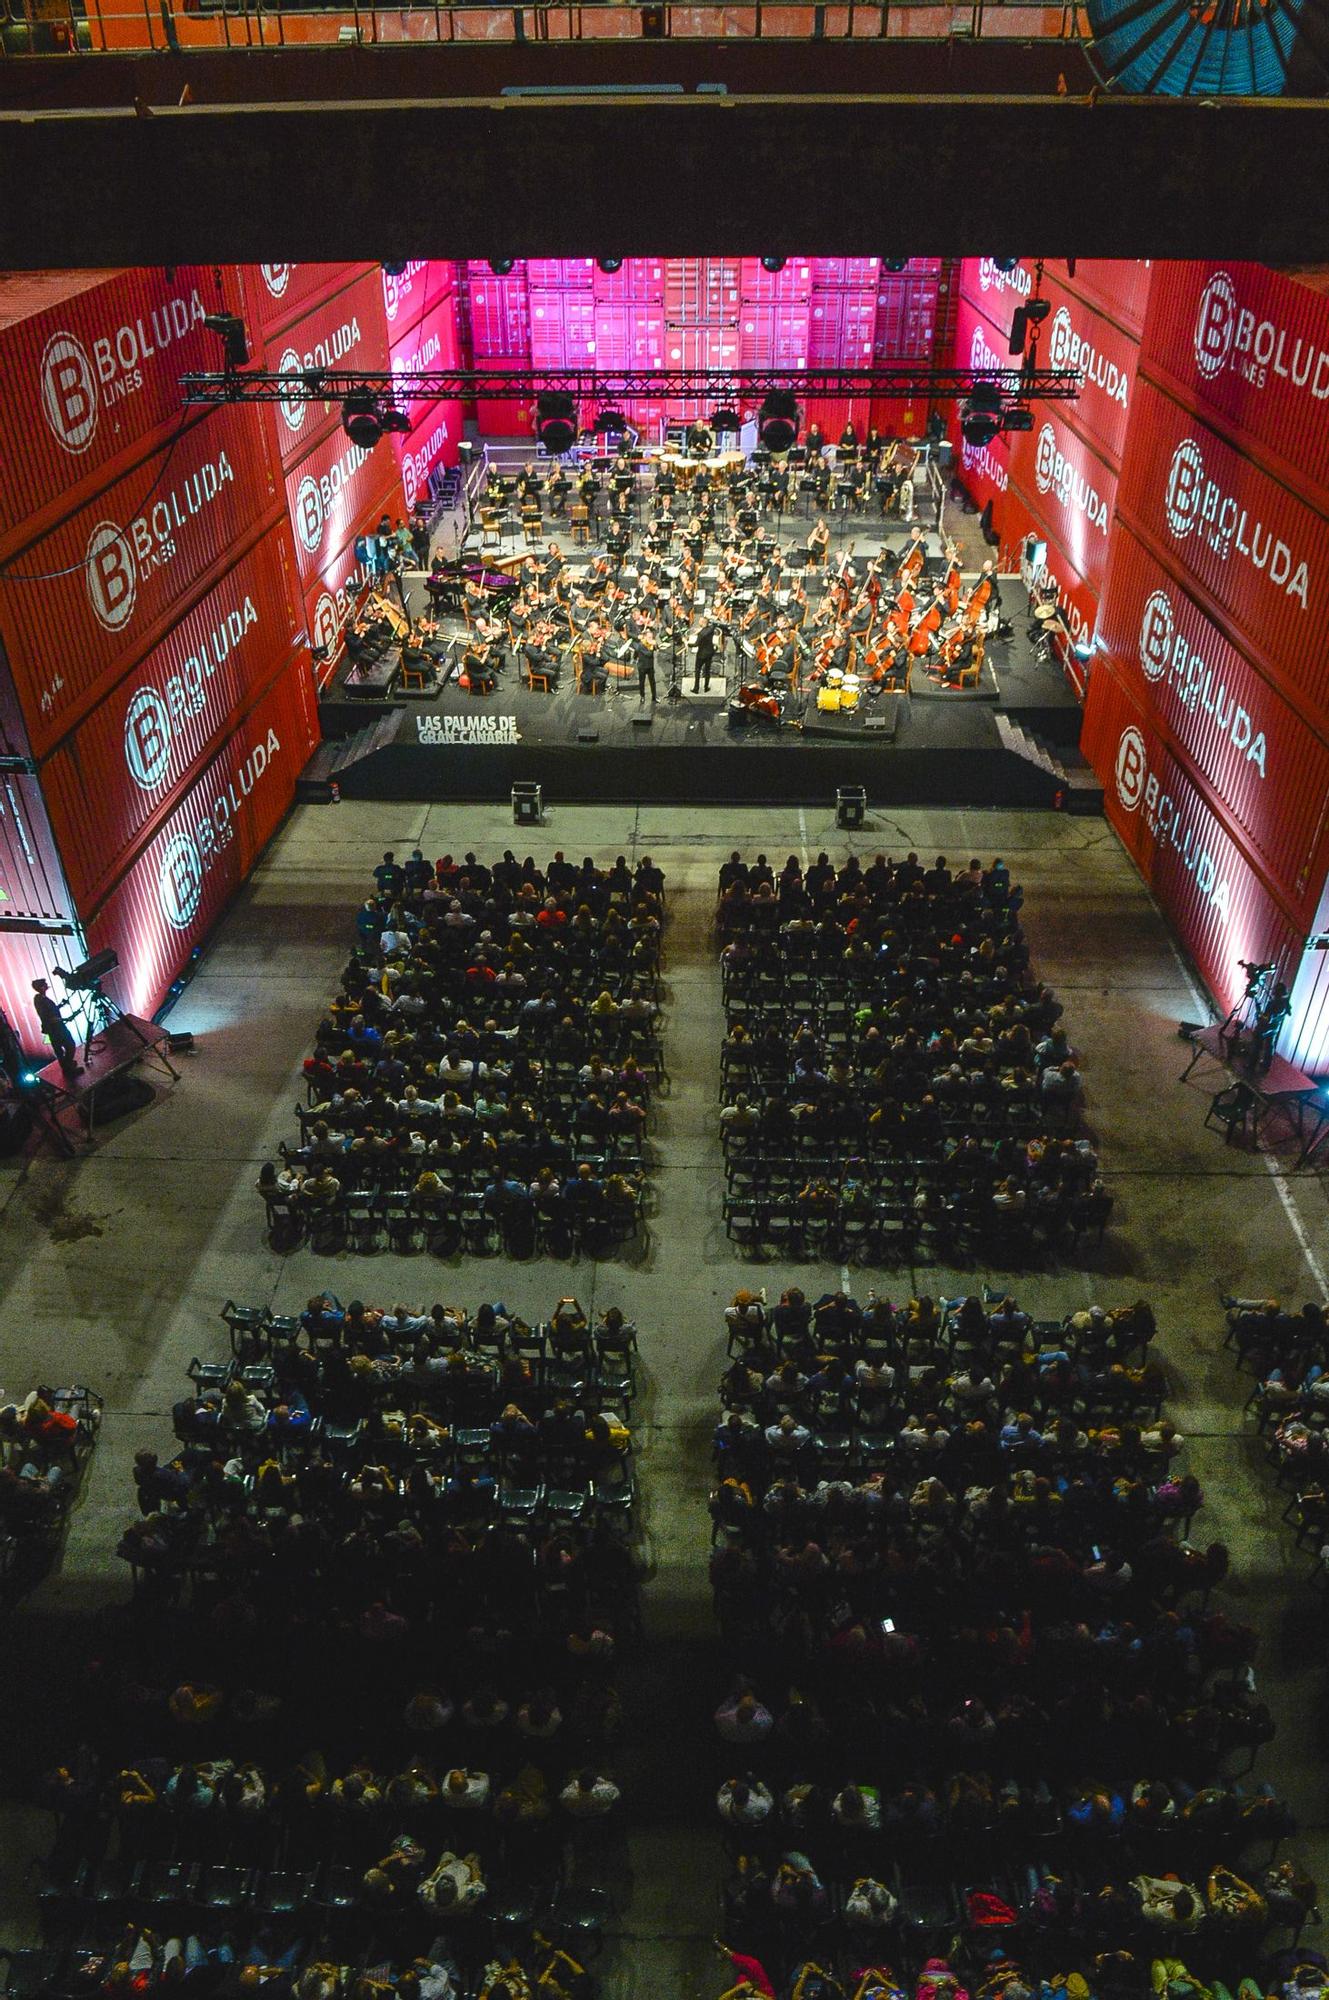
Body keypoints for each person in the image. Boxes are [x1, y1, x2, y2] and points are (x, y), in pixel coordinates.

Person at [31, 979, 80, 1077]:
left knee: (60, 1050)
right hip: (56, 1029)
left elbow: (50, 1011)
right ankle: (68, 1067)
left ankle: (67, 1066)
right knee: (69, 1046)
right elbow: (48, 1016)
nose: (47, 985)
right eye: (45, 984)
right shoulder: (40, 999)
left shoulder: (40, 998)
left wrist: (61, 1005)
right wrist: (66, 1019)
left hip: (54, 1028)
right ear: (41, 987)